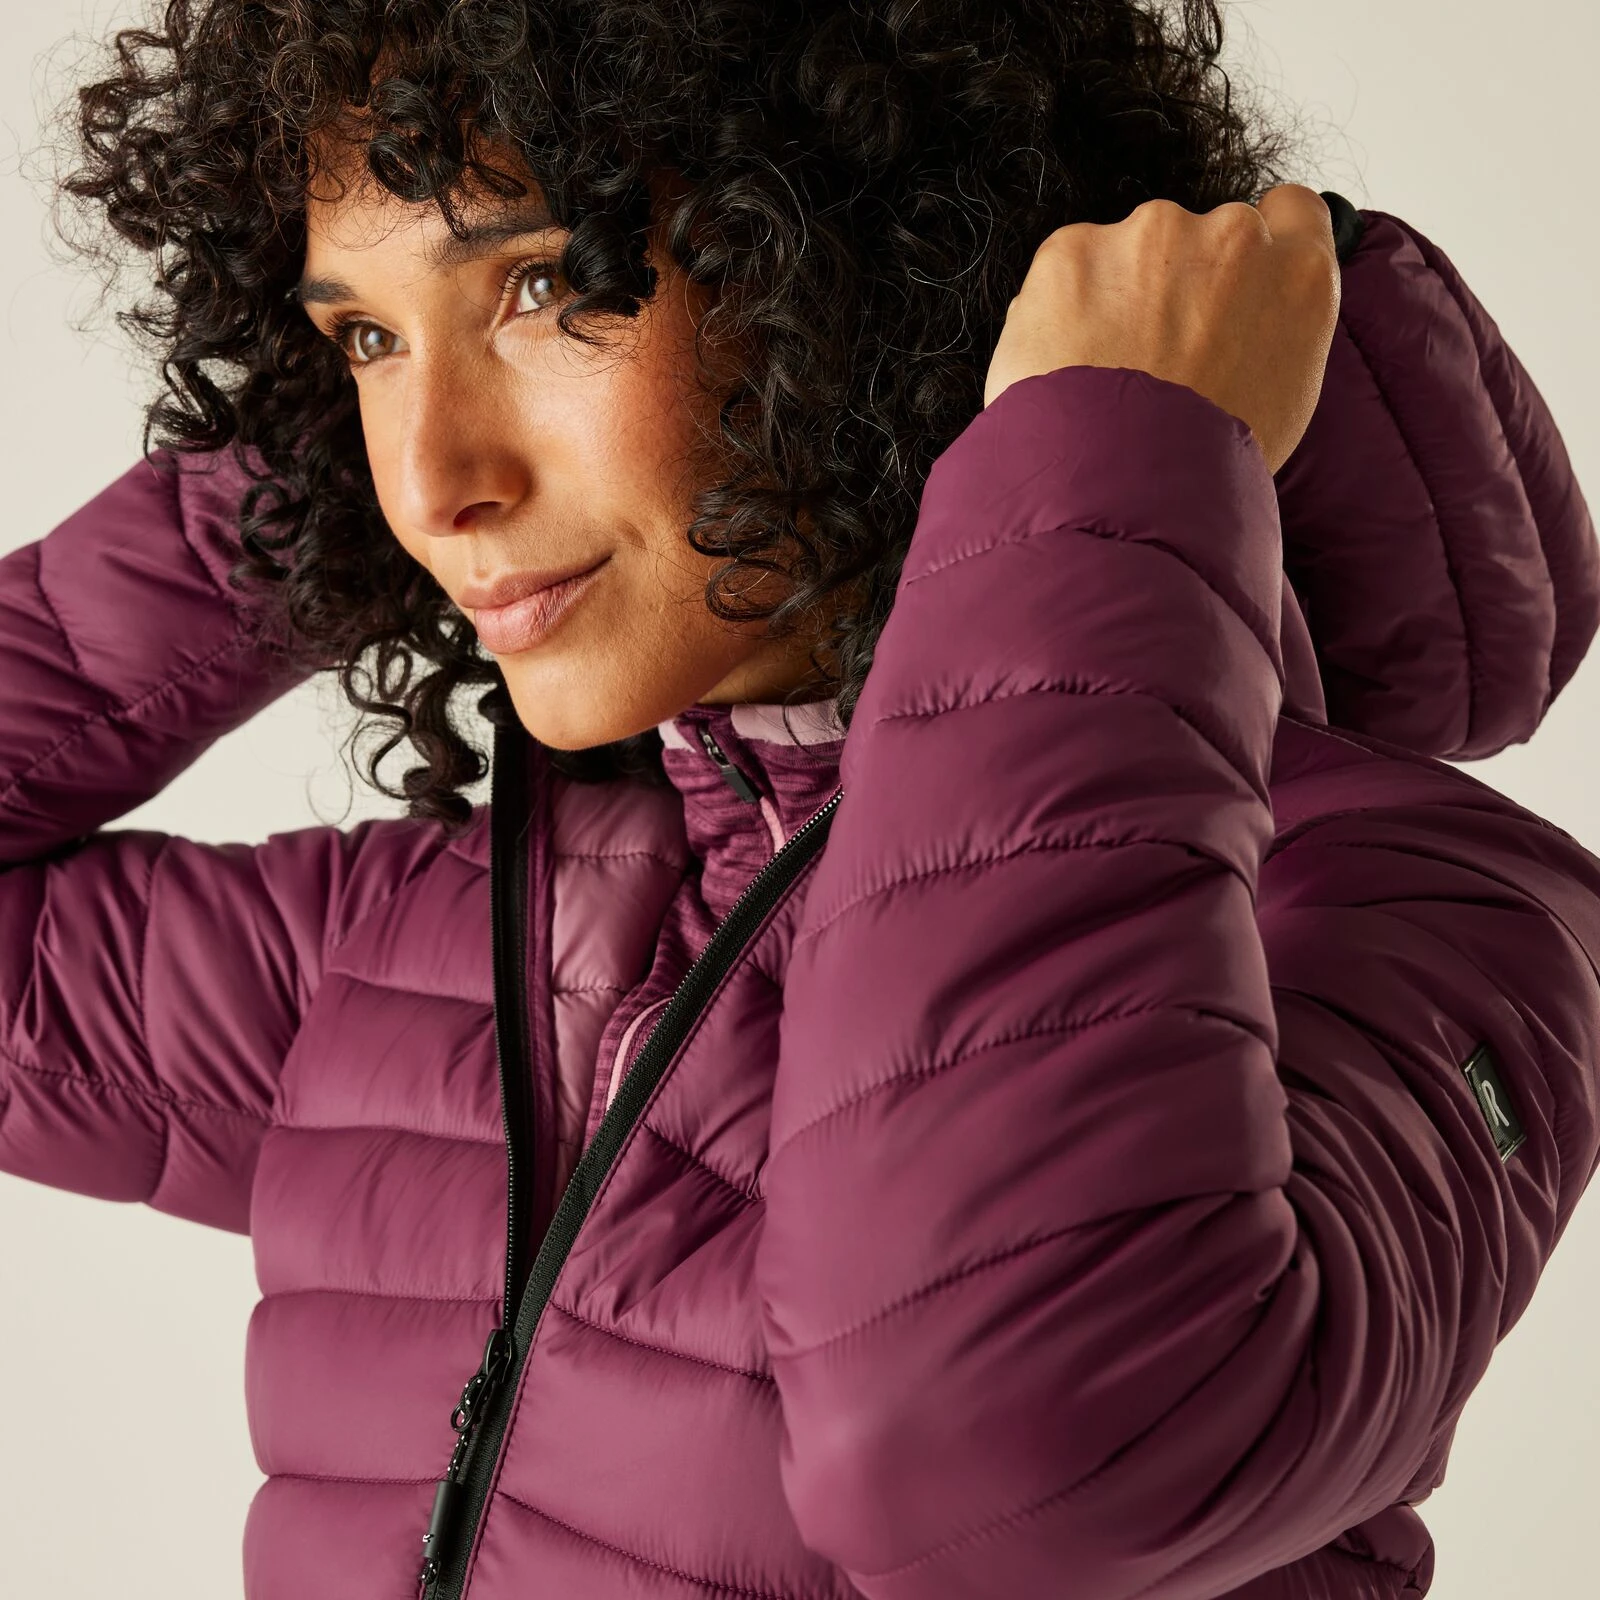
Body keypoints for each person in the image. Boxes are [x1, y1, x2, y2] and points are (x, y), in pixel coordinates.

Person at [4, 1, 1598, 1597]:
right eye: (365, 339)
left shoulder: (1419, 911)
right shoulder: (433, 942)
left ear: (853, 258)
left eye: (547, 286)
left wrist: (1110, 464)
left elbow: (997, 1465)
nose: (430, 480)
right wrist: (292, 490)